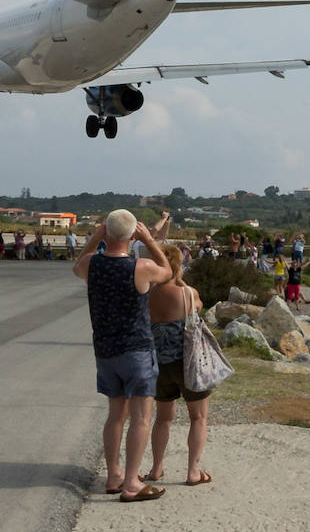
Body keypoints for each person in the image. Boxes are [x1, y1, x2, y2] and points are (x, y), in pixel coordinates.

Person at [73, 210, 172, 502]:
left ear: (106, 231)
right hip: (137, 350)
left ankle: (114, 474)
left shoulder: (91, 265)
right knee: (141, 417)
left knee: (115, 415)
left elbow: (76, 265)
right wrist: (150, 241)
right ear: (132, 235)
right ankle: (132, 482)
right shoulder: (140, 267)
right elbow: (167, 271)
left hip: (105, 350)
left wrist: (95, 239)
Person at [145, 243, 213, 487]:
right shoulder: (186, 293)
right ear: (178, 266)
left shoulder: (147, 294)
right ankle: (193, 471)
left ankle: (156, 468)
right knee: (198, 418)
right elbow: (199, 305)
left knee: (163, 418)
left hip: (159, 365)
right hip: (187, 364)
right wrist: (180, 280)